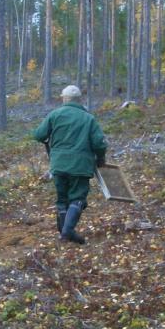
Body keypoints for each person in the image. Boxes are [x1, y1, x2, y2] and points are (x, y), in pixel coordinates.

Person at [33, 85, 107, 244]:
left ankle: (65, 232)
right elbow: (99, 144)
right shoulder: (89, 118)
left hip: (58, 165)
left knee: (62, 199)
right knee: (77, 198)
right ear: (79, 99)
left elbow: (38, 135)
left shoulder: (55, 115)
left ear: (64, 98)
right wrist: (101, 159)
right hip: (80, 167)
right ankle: (66, 232)